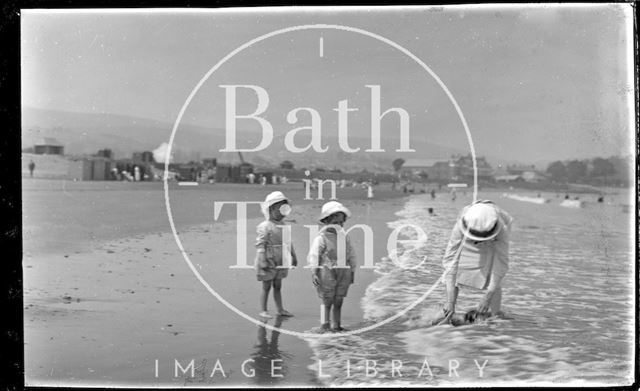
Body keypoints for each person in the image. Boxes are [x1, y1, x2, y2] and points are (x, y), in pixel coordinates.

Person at [440, 200, 513, 322]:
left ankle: (495, 316)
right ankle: (448, 310)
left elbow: (500, 264)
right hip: (469, 232)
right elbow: (451, 261)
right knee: (459, 269)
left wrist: (487, 296)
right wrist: (450, 301)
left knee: (491, 271)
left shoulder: (501, 227)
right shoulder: (461, 224)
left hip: (493, 237)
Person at [308, 201, 356, 332]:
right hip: (326, 271)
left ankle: (337, 325)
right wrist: (314, 272)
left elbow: (351, 254)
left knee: (339, 299)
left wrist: (352, 270)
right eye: (336, 222)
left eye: (341, 223)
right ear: (326, 221)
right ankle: (324, 325)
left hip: (343, 271)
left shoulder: (345, 237)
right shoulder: (321, 238)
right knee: (327, 300)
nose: (339, 225)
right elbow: (314, 255)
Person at [255, 191, 297, 318]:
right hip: (268, 258)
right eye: (279, 209)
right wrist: (262, 259)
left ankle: (280, 309)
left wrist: (293, 256)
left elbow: (288, 242)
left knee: (278, 285)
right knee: (266, 286)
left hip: (280, 259)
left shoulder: (284, 226)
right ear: (271, 209)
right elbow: (260, 244)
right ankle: (263, 310)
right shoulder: (265, 226)